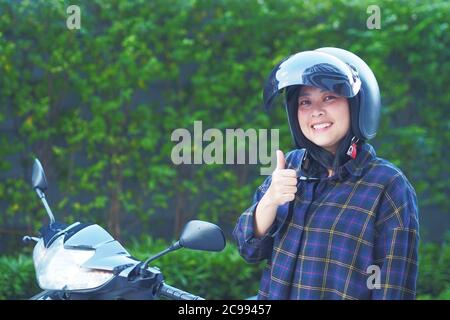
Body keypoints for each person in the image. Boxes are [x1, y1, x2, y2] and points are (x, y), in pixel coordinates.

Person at [233, 47, 419, 300]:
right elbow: (249, 250)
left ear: (357, 106)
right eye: (305, 102)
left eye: (329, 97)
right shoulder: (289, 168)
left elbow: (394, 290)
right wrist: (270, 201)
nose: (316, 111)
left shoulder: (388, 185)